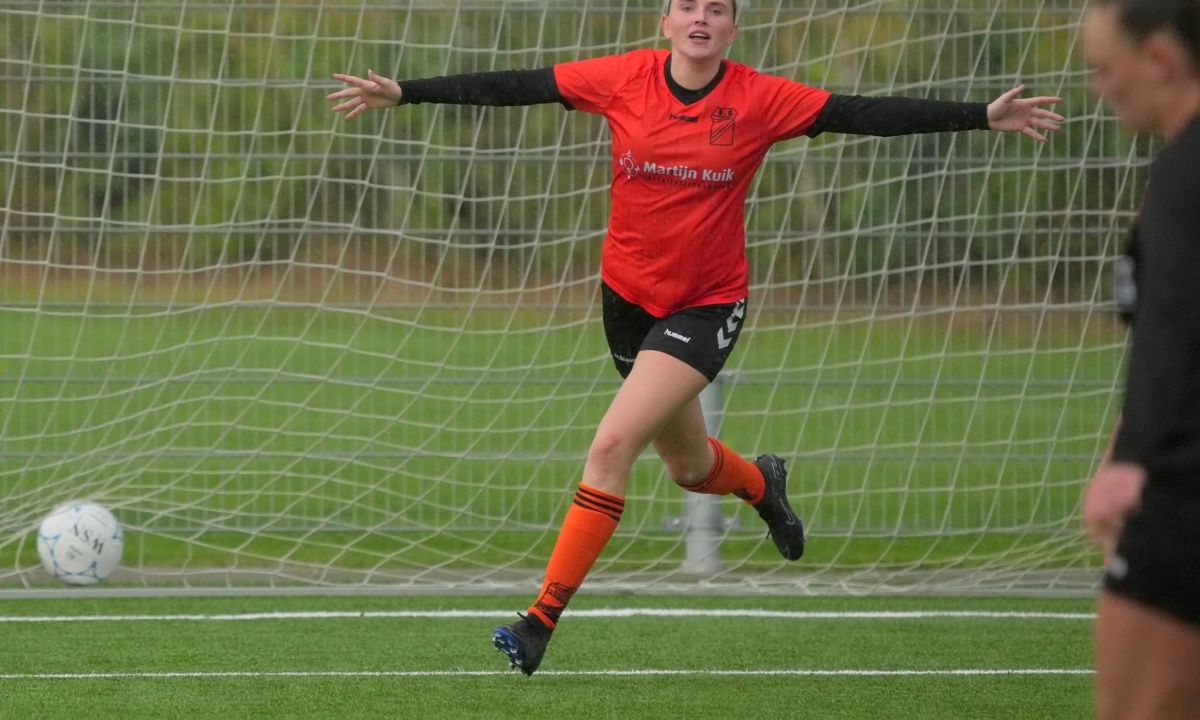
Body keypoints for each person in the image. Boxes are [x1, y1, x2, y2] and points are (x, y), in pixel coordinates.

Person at [330, 0, 1063, 676]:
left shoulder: (759, 97)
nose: (701, 17)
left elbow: (862, 112)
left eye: (717, 8)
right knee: (687, 467)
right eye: (688, 5)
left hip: (707, 306)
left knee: (611, 447)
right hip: (626, 300)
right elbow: (521, 84)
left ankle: (540, 620)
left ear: (733, 28)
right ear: (666, 20)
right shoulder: (624, 78)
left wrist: (981, 115)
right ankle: (761, 484)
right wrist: (408, 92)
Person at [1080, 0, 1200, 717]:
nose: (1100, 89)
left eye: (1104, 70)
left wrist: (1128, 463)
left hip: (1180, 488)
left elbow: (1172, 326)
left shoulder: (1185, 175)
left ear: (1159, 59)